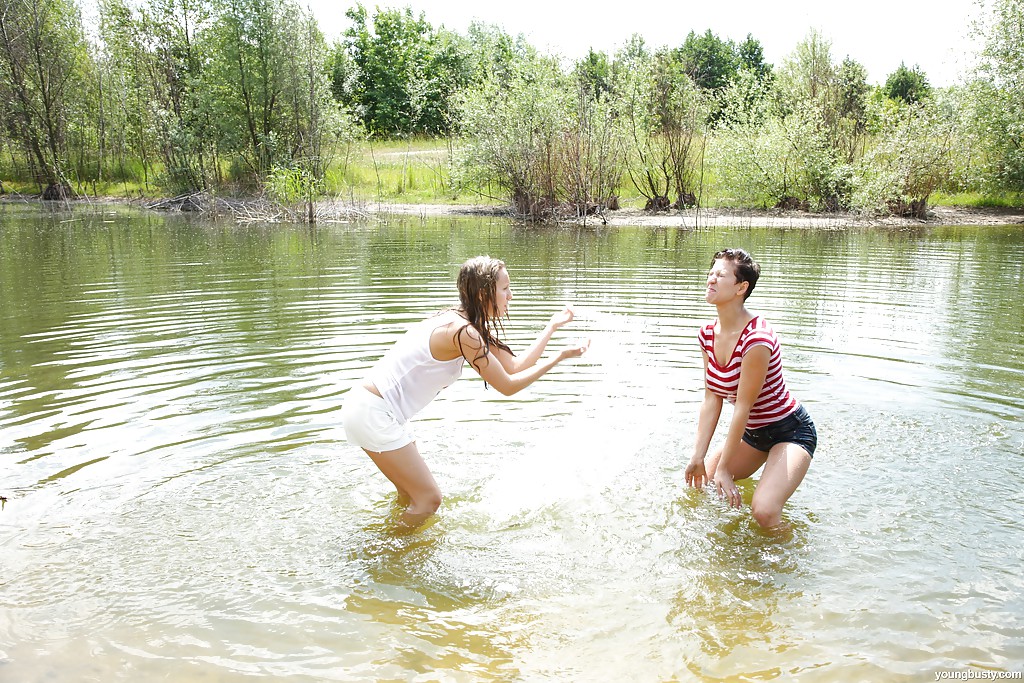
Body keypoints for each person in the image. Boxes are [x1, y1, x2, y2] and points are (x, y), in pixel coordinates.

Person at [342, 255, 590, 525]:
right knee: (429, 499)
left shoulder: (464, 324)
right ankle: (388, 557)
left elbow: (514, 366)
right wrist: (558, 358)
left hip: (371, 409)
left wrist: (551, 327)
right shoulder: (463, 333)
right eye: (505, 289)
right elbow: (507, 386)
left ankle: (394, 552)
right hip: (375, 412)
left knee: (411, 495)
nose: (511, 295)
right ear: (485, 293)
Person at [684, 248, 816, 528]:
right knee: (700, 483)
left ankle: (789, 560)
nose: (710, 280)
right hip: (754, 434)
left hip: (790, 430)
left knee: (764, 512)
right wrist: (699, 456)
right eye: (710, 273)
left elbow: (743, 406)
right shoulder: (706, 334)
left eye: (720, 275)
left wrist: (724, 468)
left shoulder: (756, 339)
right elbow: (712, 399)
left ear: (741, 287)